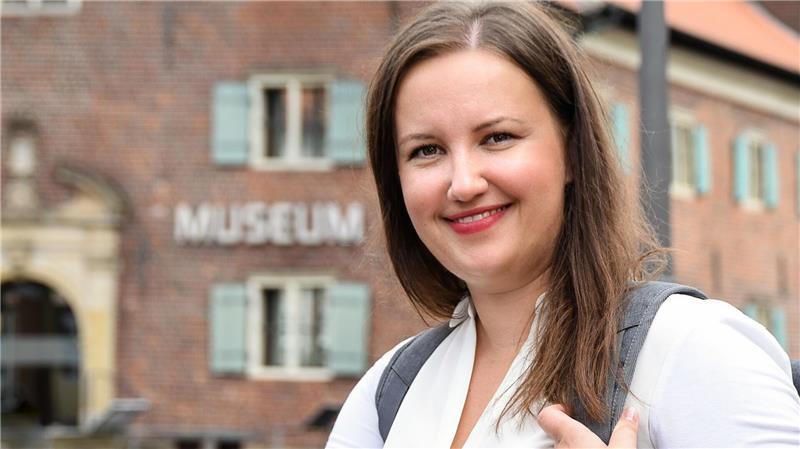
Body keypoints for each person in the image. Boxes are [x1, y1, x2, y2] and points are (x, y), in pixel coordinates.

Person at [327, 2, 800, 448]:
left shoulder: (693, 347)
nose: (463, 183)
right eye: (426, 150)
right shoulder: (388, 392)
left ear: (572, 153)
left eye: (497, 137)